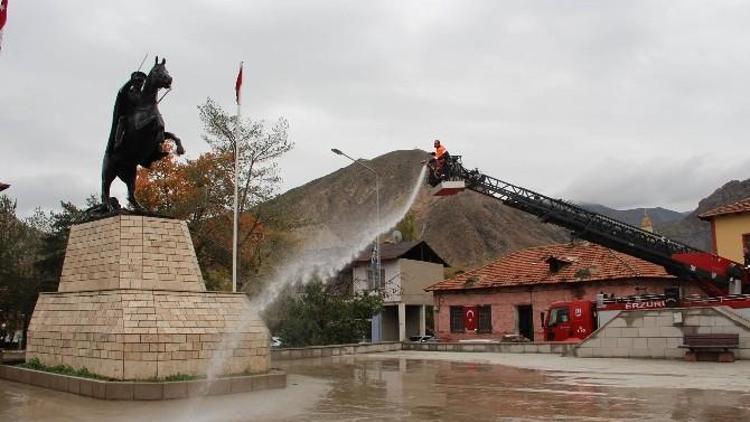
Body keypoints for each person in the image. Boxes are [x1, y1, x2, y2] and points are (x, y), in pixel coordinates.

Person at [110, 71, 147, 151]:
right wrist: (130, 81)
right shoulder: (127, 92)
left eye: (142, 82)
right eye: (139, 81)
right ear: (134, 82)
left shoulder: (143, 95)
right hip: (128, 115)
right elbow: (122, 91)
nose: (140, 84)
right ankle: (118, 141)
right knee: (122, 120)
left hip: (140, 117)